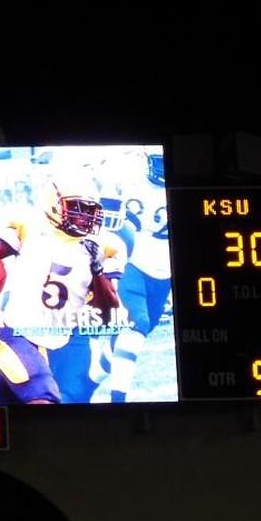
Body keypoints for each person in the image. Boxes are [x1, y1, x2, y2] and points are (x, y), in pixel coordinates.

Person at [0, 170, 121, 404]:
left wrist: (97, 270)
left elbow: (107, 311)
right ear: (55, 203)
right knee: (44, 399)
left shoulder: (103, 246)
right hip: (14, 334)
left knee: (2, 407)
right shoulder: (30, 226)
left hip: (53, 343)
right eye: (77, 207)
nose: (85, 216)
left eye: (89, 210)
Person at [102, 151, 172, 402]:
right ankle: (118, 400)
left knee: (139, 331)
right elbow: (105, 222)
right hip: (132, 260)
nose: (163, 167)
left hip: (165, 268)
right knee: (137, 324)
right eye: (158, 161)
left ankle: (98, 367)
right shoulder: (124, 174)